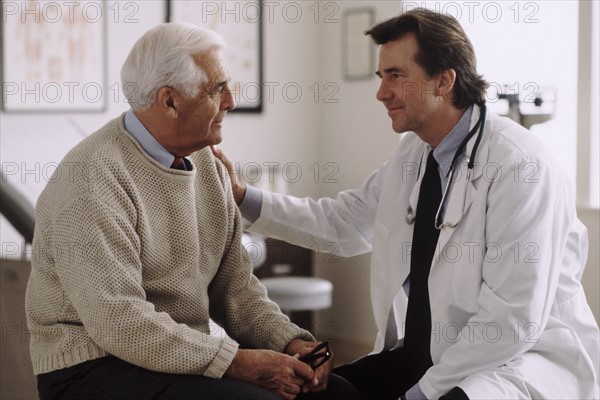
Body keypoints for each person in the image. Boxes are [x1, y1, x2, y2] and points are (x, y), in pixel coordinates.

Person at [212, 8, 600, 400]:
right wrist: (243, 196)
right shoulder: (413, 154)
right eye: (382, 77)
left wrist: (417, 395)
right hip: (426, 354)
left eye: (396, 76)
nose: (381, 92)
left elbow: (511, 323)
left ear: (444, 80)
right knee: (322, 394)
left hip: (512, 361)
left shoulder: (520, 165)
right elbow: (344, 224)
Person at [25, 22, 360, 400]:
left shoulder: (209, 166)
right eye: (218, 89)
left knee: (338, 394)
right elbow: (120, 323)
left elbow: (236, 289)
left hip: (176, 358)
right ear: (170, 101)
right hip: (92, 367)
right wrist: (238, 362)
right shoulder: (91, 178)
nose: (231, 101)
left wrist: (289, 343)